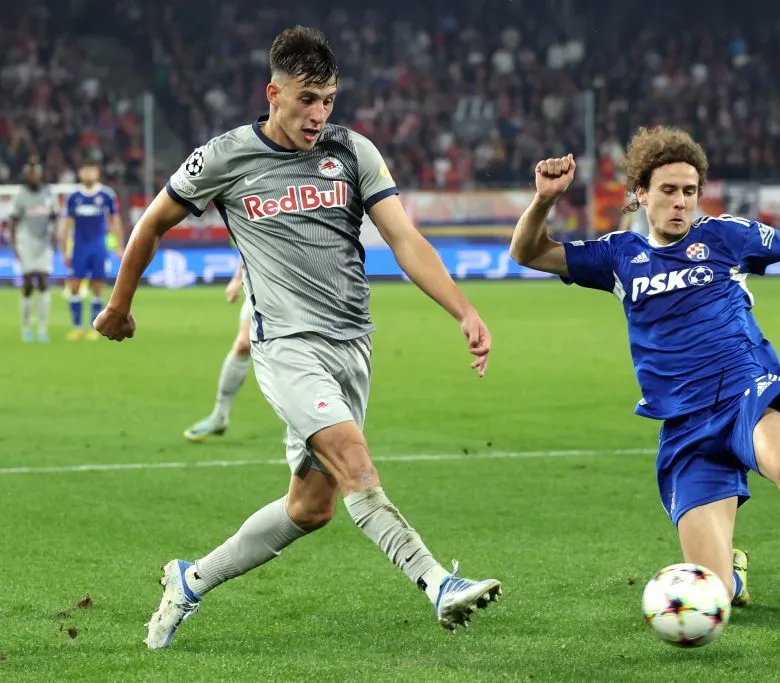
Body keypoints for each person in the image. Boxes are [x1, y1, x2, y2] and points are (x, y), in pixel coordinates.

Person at [94, 26, 502, 649]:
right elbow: (151, 224)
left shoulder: (353, 153)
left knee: (311, 508)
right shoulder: (225, 156)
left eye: (328, 100)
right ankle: (436, 583)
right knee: (356, 460)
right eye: (307, 99)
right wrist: (119, 307)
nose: (319, 114)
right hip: (285, 346)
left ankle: (189, 579)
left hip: (351, 344)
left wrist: (463, 311)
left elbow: (405, 240)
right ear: (274, 93)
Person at [509, 126, 780, 609]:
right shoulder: (618, 255)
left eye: (689, 191)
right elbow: (527, 253)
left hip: (745, 392)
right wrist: (544, 200)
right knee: (710, 596)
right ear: (641, 194)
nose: (680, 202)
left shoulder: (725, 235)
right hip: (684, 426)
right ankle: (732, 575)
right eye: (668, 190)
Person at [183, 261, 256, 442]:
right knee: (242, 344)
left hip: (305, 281)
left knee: (302, 349)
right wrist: (238, 277)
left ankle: (302, 424)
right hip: (264, 281)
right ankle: (220, 416)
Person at [60, 155, 124, 340]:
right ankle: (77, 328)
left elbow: (115, 222)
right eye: (85, 170)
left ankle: (93, 328)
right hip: (79, 247)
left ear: (97, 173)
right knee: (74, 286)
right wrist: (64, 249)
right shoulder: (73, 197)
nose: (88, 173)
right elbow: (66, 225)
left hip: (98, 247)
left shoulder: (106, 195)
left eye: (92, 170)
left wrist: (119, 246)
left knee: (98, 286)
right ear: (80, 173)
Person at [10, 159, 58, 342]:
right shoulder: (20, 195)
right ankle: (26, 326)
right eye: (30, 173)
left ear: (39, 173)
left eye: (35, 172)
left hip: (44, 241)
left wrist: (55, 235)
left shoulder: (48, 193)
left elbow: (54, 216)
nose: (33, 176)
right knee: (29, 283)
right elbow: (14, 220)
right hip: (26, 241)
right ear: (26, 175)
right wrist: (14, 244)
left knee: (44, 282)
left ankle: (43, 328)